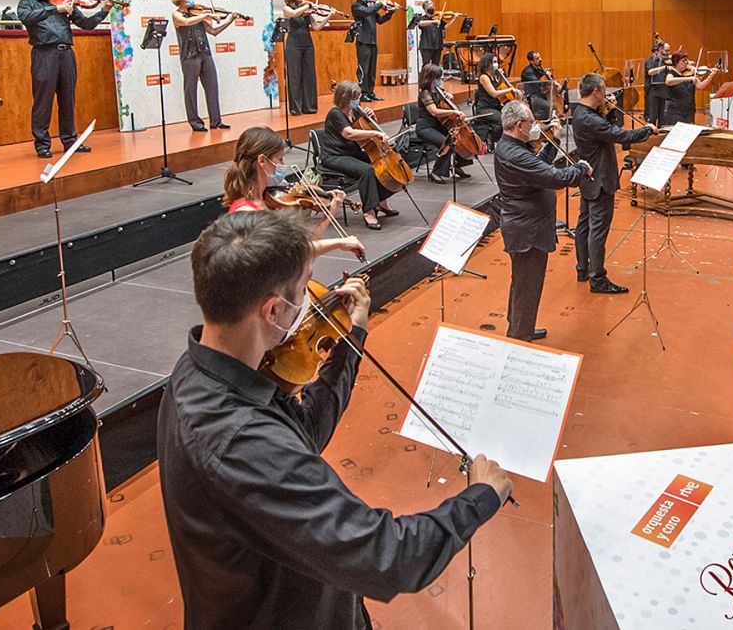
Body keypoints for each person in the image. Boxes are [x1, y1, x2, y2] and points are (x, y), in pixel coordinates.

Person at [157, 209, 513, 629]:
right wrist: (480, 497)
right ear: (272, 311)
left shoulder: (197, 368)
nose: (312, 304)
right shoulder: (243, 443)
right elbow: (387, 557)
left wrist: (351, 338)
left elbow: (303, 432)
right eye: (303, 295)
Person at [493, 100, 589, 341]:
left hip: (526, 226)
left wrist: (553, 141)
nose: (535, 126)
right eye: (530, 123)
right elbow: (554, 177)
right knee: (527, 285)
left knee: (523, 282)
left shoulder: (512, 146)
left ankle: (520, 326)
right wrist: (580, 169)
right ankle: (519, 335)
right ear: (518, 125)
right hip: (527, 230)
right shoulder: (515, 154)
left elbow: (538, 167)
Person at [222, 126, 365, 260]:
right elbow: (292, 255)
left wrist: (332, 210)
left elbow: (305, 241)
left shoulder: (266, 200)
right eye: (280, 159)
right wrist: (338, 243)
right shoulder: (247, 213)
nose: (283, 166)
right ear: (262, 161)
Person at [17, 0, 113, 158]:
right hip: (44, 54)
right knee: (43, 101)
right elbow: (25, 18)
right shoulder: (28, 3)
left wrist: (104, 10)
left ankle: (70, 140)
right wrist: (55, 9)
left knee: (68, 99)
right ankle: (42, 144)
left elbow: (87, 25)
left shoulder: (66, 2)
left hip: (66, 54)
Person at [570, 73, 652, 294]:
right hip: (601, 179)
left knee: (584, 226)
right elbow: (618, 135)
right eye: (604, 90)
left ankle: (582, 269)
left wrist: (610, 111)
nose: (607, 94)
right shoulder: (591, 119)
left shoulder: (580, 112)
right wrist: (647, 130)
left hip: (588, 178)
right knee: (597, 231)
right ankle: (598, 279)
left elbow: (604, 129)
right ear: (596, 92)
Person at [322, 81, 398, 231]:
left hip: (351, 153)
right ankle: (369, 212)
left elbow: (365, 129)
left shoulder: (355, 112)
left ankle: (381, 201)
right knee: (366, 170)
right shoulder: (335, 113)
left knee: (381, 164)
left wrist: (371, 119)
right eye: (355, 97)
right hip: (335, 156)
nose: (358, 99)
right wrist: (376, 133)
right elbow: (349, 133)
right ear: (345, 98)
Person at [170, 0, 236, 132]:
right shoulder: (177, 15)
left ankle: (216, 121)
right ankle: (195, 122)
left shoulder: (197, 15)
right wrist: (206, 15)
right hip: (189, 56)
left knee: (212, 87)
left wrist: (229, 20)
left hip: (205, 54)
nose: (192, 0)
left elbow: (214, 31)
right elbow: (186, 22)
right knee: (190, 90)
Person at [415, 63, 473, 183]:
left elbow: (443, 104)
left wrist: (449, 97)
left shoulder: (438, 91)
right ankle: (436, 172)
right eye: (437, 78)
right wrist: (454, 112)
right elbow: (434, 112)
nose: (439, 80)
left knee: (458, 137)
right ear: (430, 78)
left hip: (437, 125)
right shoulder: (425, 94)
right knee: (446, 143)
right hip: (425, 127)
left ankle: (457, 165)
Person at [281, 0, 328, 115]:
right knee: (295, 75)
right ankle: (296, 108)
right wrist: (308, 6)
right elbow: (294, 14)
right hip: (293, 44)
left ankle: (309, 107)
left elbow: (316, 27)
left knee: (309, 75)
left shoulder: (307, 12)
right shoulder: (287, 8)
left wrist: (328, 16)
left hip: (307, 44)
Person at [350, 0, 397, 103]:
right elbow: (366, 12)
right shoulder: (356, 6)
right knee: (363, 70)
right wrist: (380, 3)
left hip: (372, 41)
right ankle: (363, 93)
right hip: (363, 41)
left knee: (371, 69)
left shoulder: (370, 6)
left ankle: (370, 92)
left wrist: (390, 13)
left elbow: (380, 20)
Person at [660, 50, 713, 124]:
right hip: (675, 113)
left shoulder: (689, 74)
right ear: (676, 62)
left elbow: (700, 86)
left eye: (686, 61)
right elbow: (668, 81)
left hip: (689, 111)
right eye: (683, 61)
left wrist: (711, 76)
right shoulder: (671, 73)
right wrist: (686, 79)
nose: (686, 63)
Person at [472, 50, 509, 148]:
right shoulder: (484, 77)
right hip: (485, 108)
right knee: (501, 120)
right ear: (487, 63)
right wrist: (510, 89)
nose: (496, 64)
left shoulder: (494, 75)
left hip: (495, 106)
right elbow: (494, 93)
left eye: (497, 62)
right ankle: (493, 139)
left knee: (511, 116)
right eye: (494, 62)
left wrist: (502, 77)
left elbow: (499, 87)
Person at [520, 50, 555, 120]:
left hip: (541, 94)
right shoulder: (527, 71)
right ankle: (542, 124)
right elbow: (538, 82)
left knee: (555, 105)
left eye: (540, 57)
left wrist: (549, 75)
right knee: (548, 106)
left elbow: (549, 81)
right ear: (531, 61)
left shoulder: (539, 69)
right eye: (537, 58)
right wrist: (545, 76)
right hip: (532, 97)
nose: (540, 59)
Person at [413, 0, 445, 75]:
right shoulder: (423, 18)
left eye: (433, 6)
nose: (432, 8)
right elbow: (421, 24)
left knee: (436, 66)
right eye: (430, 6)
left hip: (437, 45)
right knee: (426, 66)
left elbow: (446, 26)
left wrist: (454, 18)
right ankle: (424, 84)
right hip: (426, 45)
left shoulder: (438, 18)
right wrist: (433, 22)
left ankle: (435, 84)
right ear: (425, 8)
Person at [643, 39, 670, 124]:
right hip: (653, 89)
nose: (668, 53)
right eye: (666, 50)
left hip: (664, 89)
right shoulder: (651, 60)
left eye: (669, 50)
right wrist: (664, 68)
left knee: (663, 116)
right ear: (660, 50)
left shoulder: (668, 61)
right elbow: (650, 72)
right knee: (653, 115)